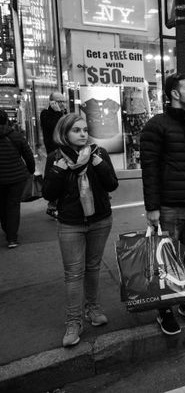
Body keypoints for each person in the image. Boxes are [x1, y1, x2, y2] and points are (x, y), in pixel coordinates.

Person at [140, 73, 185, 336]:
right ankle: (165, 311)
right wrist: (152, 208)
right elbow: (149, 169)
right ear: (174, 93)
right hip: (169, 208)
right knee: (165, 264)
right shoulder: (156, 126)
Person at [41, 113, 118, 347]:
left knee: (93, 267)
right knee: (73, 273)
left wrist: (99, 165)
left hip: (100, 220)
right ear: (64, 134)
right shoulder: (56, 158)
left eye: (85, 130)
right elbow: (48, 194)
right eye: (77, 130)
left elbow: (112, 184)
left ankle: (92, 309)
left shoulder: (99, 154)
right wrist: (58, 171)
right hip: (70, 223)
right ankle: (73, 321)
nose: (83, 134)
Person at [0, 109, 35, 249]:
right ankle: (12, 238)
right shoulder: (15, 135)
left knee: (2, 206)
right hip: (16, 177)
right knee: (13, 205)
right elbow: (28, 155)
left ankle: (7, 230)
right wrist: (31, 170)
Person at [41, 92, 68, 219]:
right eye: (60, 101)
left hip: (65, 149)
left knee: (65, 177)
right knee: (56, 177)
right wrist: (58, 112)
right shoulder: (45, 114)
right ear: (52, 102)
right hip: (54, 152)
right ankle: (52, 206)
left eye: (63, 101)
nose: (63, 104)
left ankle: (59, 204)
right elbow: (55, 127)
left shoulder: (63, 113)